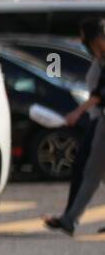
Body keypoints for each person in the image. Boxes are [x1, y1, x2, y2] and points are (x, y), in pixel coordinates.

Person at [46, 20, 105, 235]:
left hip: (101, 119)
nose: (82, 42)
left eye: (85, 37)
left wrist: (77, 112)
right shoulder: (99, 58)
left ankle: (70, 219)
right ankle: (69, 218)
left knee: (89, 170)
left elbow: (100, 94)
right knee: (92, 171)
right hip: (98, 118)